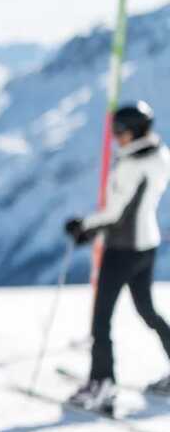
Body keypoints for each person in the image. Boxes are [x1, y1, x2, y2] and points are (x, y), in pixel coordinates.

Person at [64, 100, 170, 413]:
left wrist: (84, 226)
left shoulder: (130, 165)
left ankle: (102, 384)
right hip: (147, 245)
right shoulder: (160, 156)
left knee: (101, 319)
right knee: (147, 310)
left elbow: (116, 213)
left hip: (122, 249)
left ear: (134, 131)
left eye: (119, 130)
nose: (115, 137)